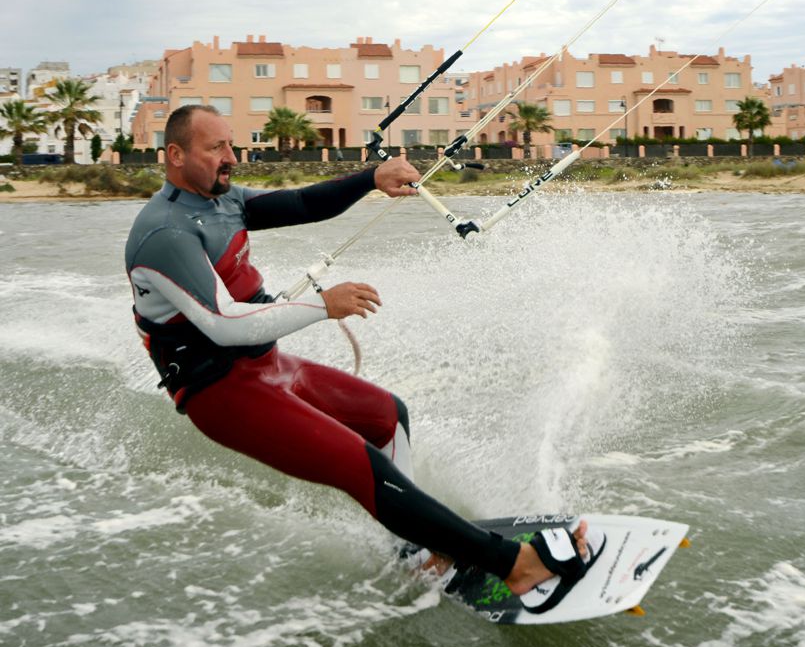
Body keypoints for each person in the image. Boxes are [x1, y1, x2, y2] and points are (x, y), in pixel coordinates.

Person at [124, 104, 598, 608]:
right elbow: (222, 324)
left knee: (388, 417)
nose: (232, 157)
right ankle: (515, 566)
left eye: (230, 144)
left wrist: (371, 177)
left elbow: (302, 203)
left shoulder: (220, 202)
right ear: (175, 155)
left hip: (264, 366)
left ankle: (416, 552)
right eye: (216, 147)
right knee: (361, 466)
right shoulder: (165, 232)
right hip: (219, 390)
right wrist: (322, 305)